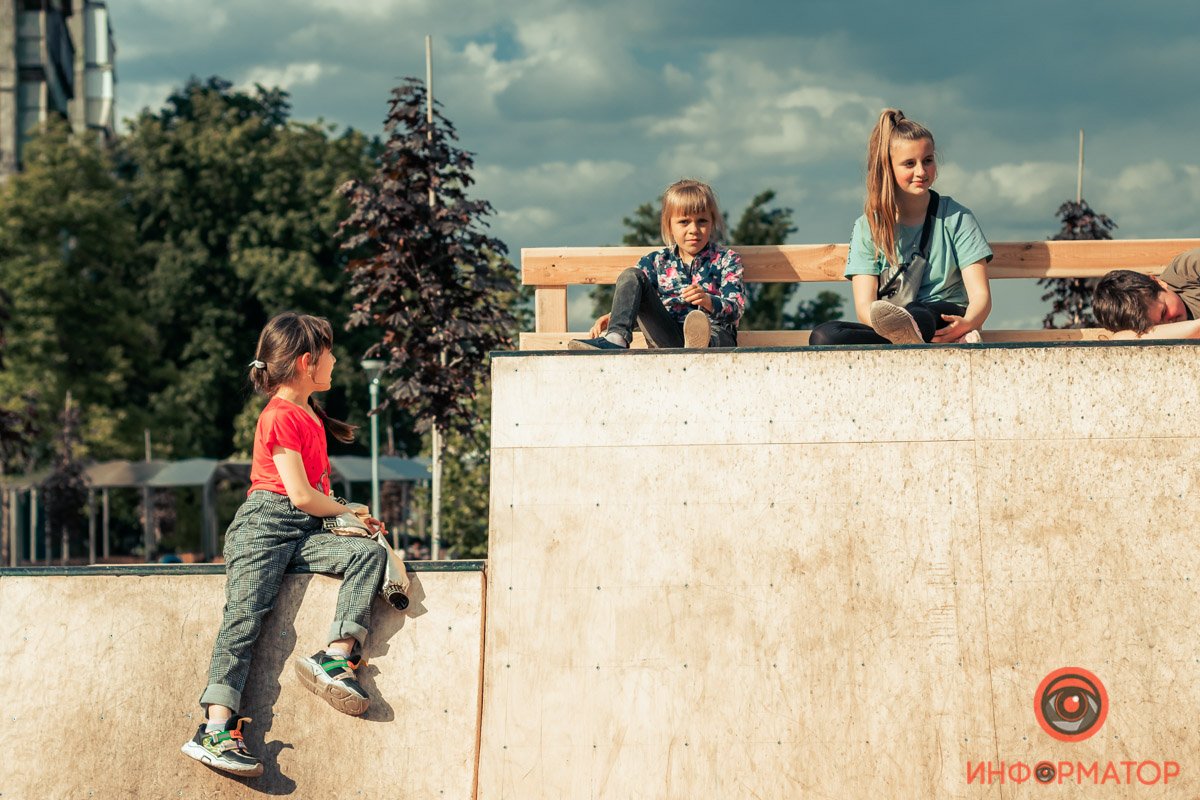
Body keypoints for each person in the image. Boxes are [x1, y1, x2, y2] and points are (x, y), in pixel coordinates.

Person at [182, 312, 388, 778]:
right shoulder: (278, 415)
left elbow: (312, 496)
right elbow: (295, 494)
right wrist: (346, 511)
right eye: (330, 353)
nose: (336, 360)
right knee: (243, 621)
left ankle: (335, 658)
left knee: (367, 553)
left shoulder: (310, 415)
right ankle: (215, 728)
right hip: (264, 527)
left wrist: (352, 515)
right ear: (306, 361)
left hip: (304, 530)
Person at [809, 109, 993, 346]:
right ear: (888, 168)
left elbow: (981, 296)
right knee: (825, 335)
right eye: (909, 164)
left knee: (919, 312)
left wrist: (967, 323)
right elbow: (865, 308)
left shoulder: (957, 218)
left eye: (928, 160)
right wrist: (890, 329)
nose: (921, 172)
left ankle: (919, 338)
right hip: (891, 327)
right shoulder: (868, 227)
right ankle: (908, 342)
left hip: (944, 318)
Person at [569, 179, 745, 350]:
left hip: (714, 334)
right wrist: (614, 318)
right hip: (668, 336)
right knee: (632, 275)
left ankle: (699, 344)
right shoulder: (655, 263)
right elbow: (642, 306)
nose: (693, 230)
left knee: (712, 331)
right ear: (669, 225)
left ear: (712, 222)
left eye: (702, 221)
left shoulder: (726, 259)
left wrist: (708, 301)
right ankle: (616, 339)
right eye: (684, 222)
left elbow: (736, 309)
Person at [1093, 249, 1200, 338]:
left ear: (1159, 283)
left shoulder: (1186, 270)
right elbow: (1121, 338)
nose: (1169, 324)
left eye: (1164, 312)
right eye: (1157, 327)